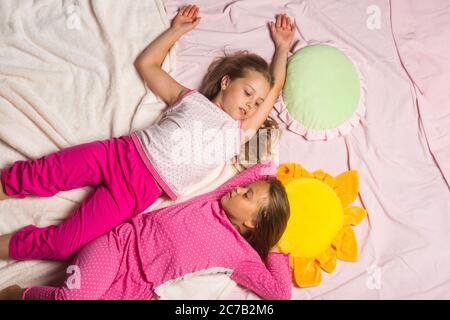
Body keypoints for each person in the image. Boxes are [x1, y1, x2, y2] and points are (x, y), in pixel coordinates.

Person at [0, 5, 296, 261]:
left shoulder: (238, 133)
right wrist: (177, 30)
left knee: (65, 244)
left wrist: (282, 48)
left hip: (134, 193)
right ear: (225, 82)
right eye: (247, 93)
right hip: (117, 154)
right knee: (35, 175)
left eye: (257, 103)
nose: (251, 105)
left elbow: (275, 87)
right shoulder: (190, 99)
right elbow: (147, 64)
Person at [0, 162, 291, 300]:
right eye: (244, 188)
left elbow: (280, 294)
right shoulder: (213, 200)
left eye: (247, 195)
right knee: (72, 301)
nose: (239, 188)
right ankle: (16, 295)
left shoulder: (241, 257)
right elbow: (263, 169)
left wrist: (275, 244)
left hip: (139, 289)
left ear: (254, 222)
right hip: (121, 246)